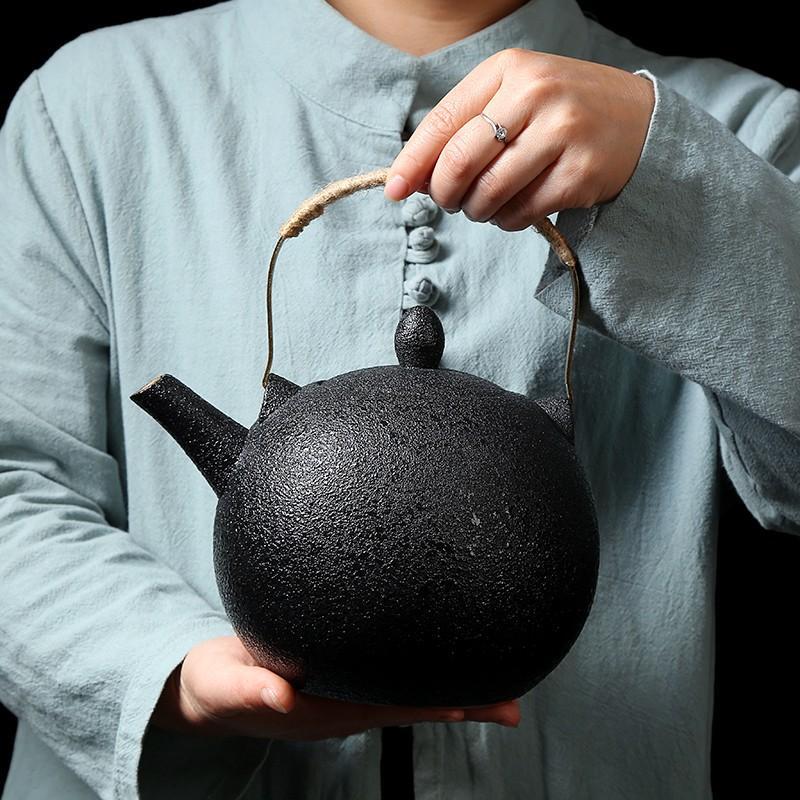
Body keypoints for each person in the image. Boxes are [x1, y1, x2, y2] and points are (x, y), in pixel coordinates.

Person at [0, 0, 798, 797]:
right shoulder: (91, 105)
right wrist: (165, 666)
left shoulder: (747, 129)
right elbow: (13, 485)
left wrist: (670, 174)